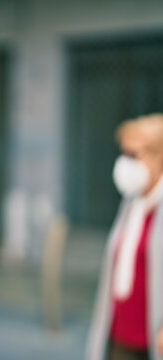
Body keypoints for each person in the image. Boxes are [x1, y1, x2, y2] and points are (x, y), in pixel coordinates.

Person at [87, 114, 163, 360]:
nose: (125, 163)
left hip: (153, 340)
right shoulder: (132, 202)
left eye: (134, 155)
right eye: (124, 154)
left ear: (158, 156)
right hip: (119, 335)